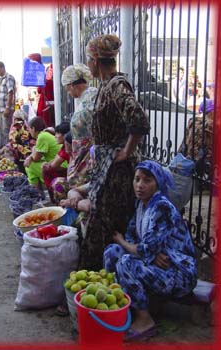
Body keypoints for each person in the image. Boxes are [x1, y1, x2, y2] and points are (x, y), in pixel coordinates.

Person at [104, 160, 197, 341]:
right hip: (159, 266)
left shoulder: (161, 207)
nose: (140, 185)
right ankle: (121, 306)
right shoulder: (141, 204)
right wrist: (145, 252)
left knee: (126, 262)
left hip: (179, 272)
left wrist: (128, 244)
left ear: (158, 184)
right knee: (111, 251)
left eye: (147, 180)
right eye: (137, 179)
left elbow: (143, 249)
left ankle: (144, 319)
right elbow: (133, 235)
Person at [79, 34, 150, 270]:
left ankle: (94, 281)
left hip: (117, 171)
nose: (88, 65)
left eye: (89, 60)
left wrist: (126, 152)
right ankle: (104, 277)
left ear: (96, 61)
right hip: (108, 167)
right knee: (105, 223)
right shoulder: (106, 86)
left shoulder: (117, 86)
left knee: (103, 223)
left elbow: (139, 120)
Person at [51, 63, 98, 203]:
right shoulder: (89, 96)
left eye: (67, 89)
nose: (68, 93)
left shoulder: (90, 99)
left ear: (71, 85)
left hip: (88, 156)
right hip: (83, 155)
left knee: (73, 191)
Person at [24, 117, 61, 188]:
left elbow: (36, 158)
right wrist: (32, 154)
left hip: (60, 166)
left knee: (29, 165)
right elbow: (36, 151)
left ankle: (35, 192)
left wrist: (30, 157)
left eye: (29, 129)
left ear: (34, 128)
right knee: (31, 163)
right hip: (58, 163)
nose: (29, 131)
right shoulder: (44, 134)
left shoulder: (42, 137)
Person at [178, 98, 214, 166]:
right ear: (211, 112)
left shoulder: (192, 120)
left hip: (187, 155)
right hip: (201, 160)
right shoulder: (210, 124)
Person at [42, 121, 70, 202]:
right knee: (46, 169)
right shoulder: (63, 147)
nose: (55, 136)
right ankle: (54, 199)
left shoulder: (67, 148)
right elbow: (53, 161)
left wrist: (47, 165)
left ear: (65, 135)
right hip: (68, 171)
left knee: (47, 171)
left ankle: (57, 201)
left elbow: (53, 165)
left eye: (57, 133)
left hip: (73, 176)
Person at [0, 61, 16, 146]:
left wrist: (7, 108)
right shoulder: (2, 79)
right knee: (2, 131)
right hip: (0, 110)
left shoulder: (8, 78)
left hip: (6, 110)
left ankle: (8, 151)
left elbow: (10, 93)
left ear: (2, 68)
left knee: (7, 131)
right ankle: (3, 150)